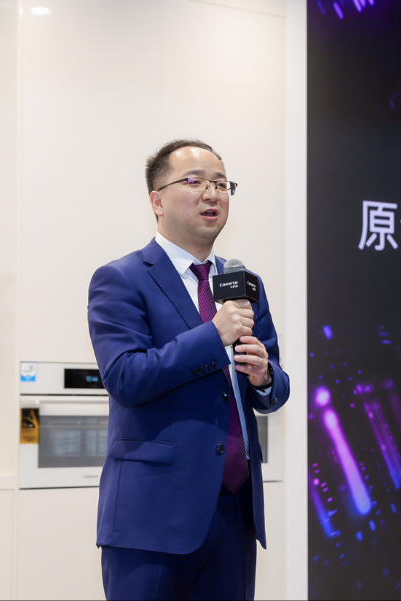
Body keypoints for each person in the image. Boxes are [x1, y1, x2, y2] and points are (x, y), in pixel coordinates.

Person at [87, 139, 290, 600]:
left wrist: (264, 377)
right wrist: (213, 335)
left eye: (221, 184)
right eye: (195, 182)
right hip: (153, 516)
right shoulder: (122, 279)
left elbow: (275, 384)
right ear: (157, 201)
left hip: (234, 511)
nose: (212, 194)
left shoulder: (243, 283)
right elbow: (126, 378)